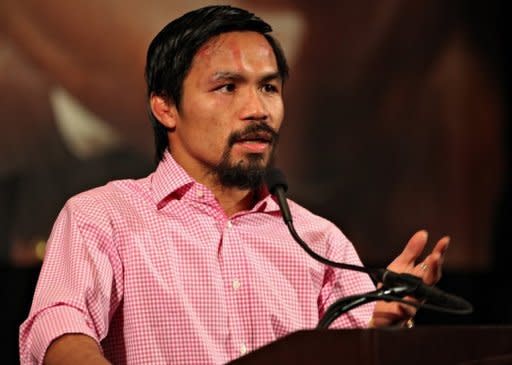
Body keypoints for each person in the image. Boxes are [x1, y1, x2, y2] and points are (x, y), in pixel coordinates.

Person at [19, 5, 449, 365]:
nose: (257, 109)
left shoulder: (321, 241)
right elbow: (59, 324)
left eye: (269, 87)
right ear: (165, 107)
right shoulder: (105, 216)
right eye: (228, 87)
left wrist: (379, 324)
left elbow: (351, 352)